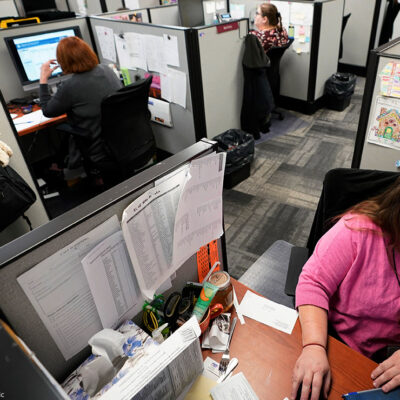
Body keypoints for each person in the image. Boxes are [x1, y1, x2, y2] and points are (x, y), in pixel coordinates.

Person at [290, 178, 400, 400]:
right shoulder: (358, 230)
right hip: (335, 341)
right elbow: (314, 283)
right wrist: (313, 346)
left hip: (386, 358)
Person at [40, 36, 122, 172]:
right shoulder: (107, 70)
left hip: (98, 147)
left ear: (63, 61)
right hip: (122, 140)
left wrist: (43, 79)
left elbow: (47, 111)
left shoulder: (70, 86)